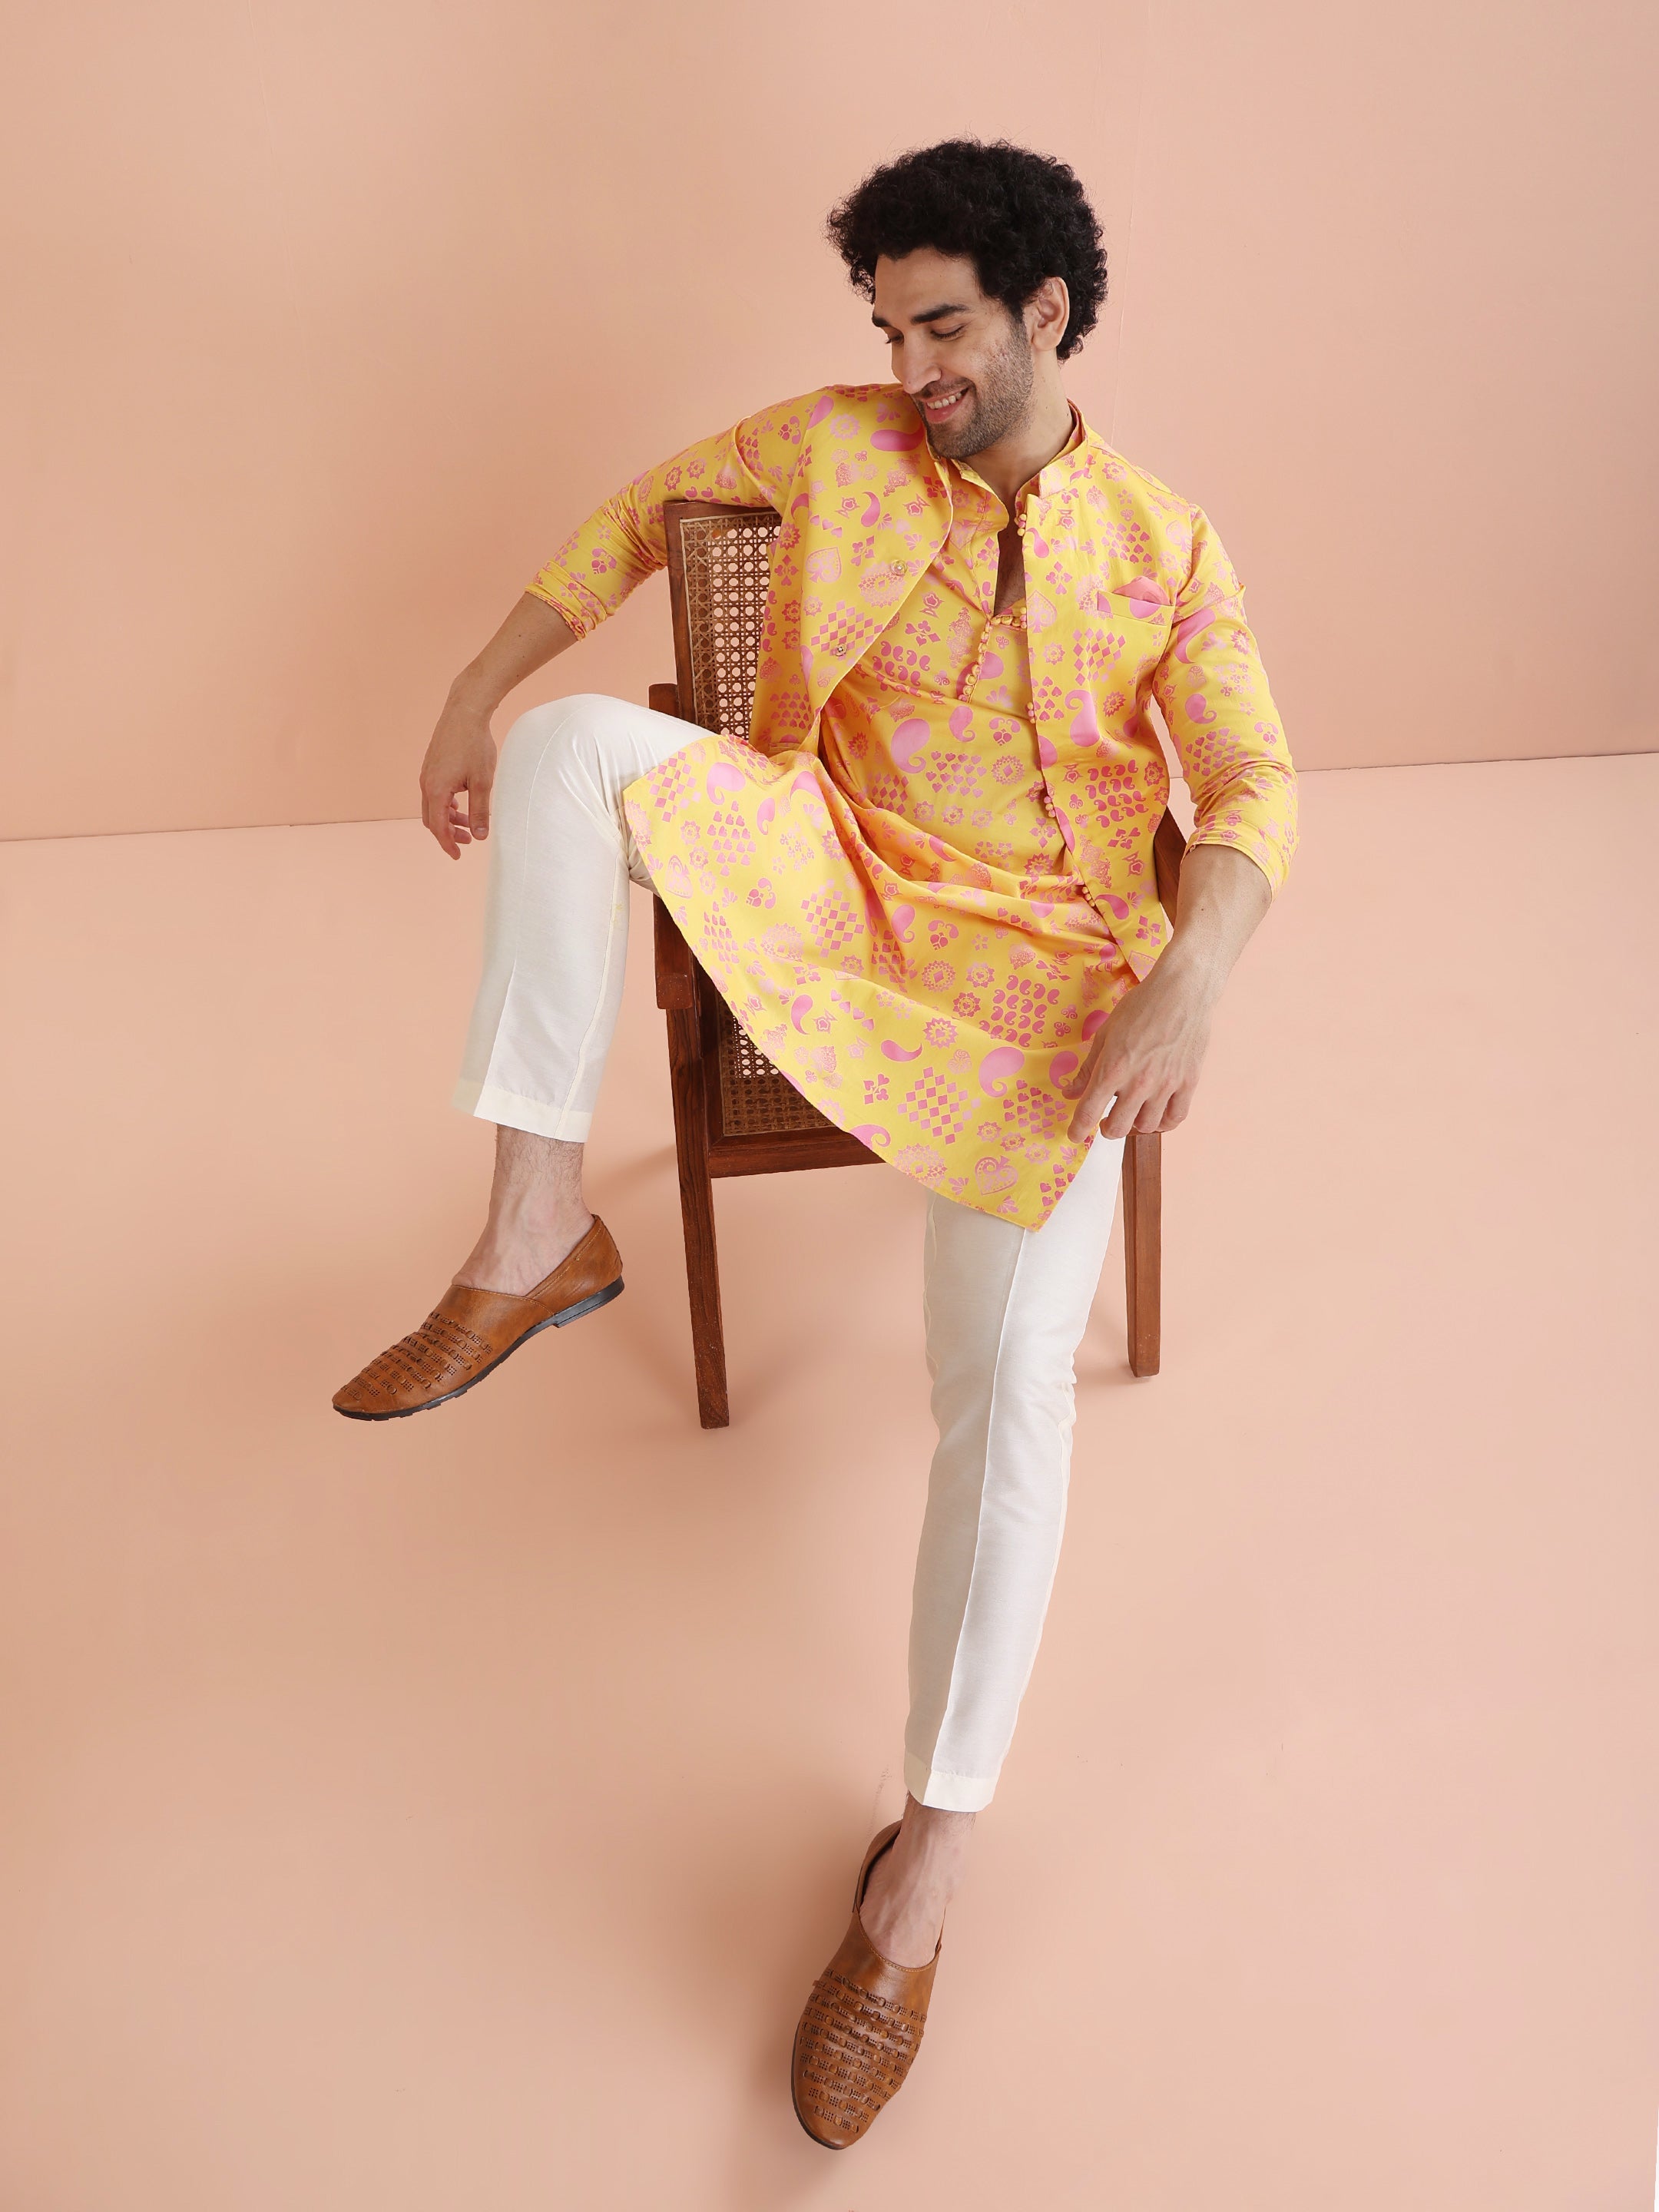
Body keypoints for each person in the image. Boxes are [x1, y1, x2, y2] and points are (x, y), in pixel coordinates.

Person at [332, 138, 1297, 2147]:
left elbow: (1252, 785)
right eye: (887, 325)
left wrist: (1194, 974)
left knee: (1003, 1387)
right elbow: (625, 524)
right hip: (833, 872)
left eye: (943, 326)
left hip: (1047, 988)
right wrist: (472, 691)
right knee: (572, 750)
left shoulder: (1167, 546)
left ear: (1045, 312)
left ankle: (925, 1867)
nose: (910, 364)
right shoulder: (842, 445)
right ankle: (534, 1231)